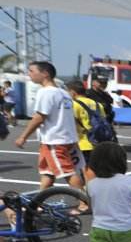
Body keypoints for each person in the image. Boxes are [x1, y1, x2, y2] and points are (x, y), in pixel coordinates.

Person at [15, 61, 86, 192]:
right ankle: (37, 203)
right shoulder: (64, 93)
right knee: (47, 172)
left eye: (31, 71)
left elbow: (40, 117)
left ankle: (84, 203)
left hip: (55, 140)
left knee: (68, 172)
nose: (29, 74)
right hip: (66, 138)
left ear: (44, 73)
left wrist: (23, 136)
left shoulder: (46, 92)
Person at [66, 79, 106, 170]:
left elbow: (70, 124)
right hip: (99, 143)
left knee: (86, 173)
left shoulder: (74, 105)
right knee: (98, 171)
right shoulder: (97, 104)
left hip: (83, 144)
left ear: (72, 92)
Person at [86, 74, 117, 141]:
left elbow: (109, 112)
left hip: (107, 127)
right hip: (94, 128)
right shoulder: (88, 95)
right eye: (101, 82)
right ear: (93, 82)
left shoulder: (106, 95)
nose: (103, 84)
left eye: (105, 82)